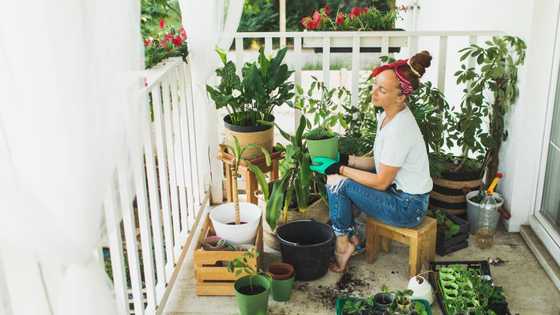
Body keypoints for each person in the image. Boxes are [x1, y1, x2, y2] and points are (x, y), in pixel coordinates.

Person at [310, 51, 434, 273]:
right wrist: (344, 159)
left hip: (408, 207)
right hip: (397, 194)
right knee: (336, 178)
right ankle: (348, 239)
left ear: (401, 97)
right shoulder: (388, 116)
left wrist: (340, 169)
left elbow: (380, 182)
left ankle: (343, 245)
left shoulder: (399, 129)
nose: (373, 93)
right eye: (375, 85)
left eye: (382, 90)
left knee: (337, 182)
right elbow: (379, 163)